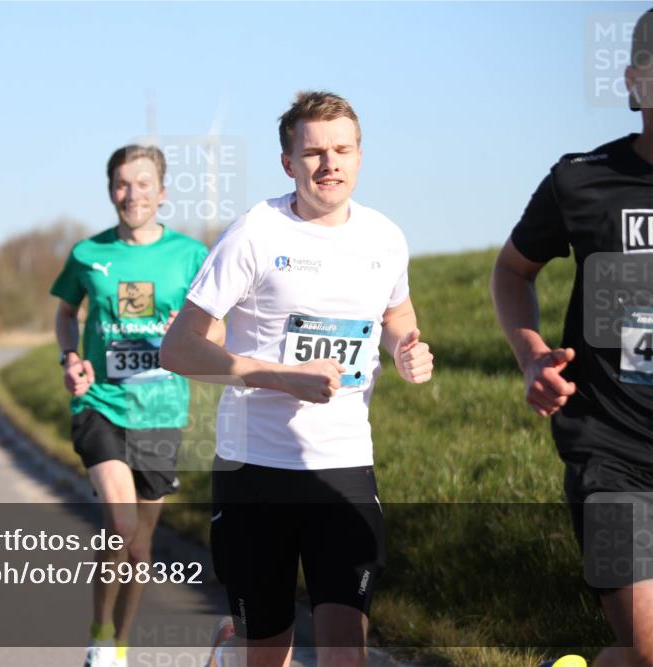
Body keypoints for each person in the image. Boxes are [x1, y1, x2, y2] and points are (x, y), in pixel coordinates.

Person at [161, 91, 433, 667]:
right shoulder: (255, 233)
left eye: (342, 150)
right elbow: (179, 348)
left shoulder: (385, 237)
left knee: (345, 652)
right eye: (313, 153)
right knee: (268, 652)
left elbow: (396, 314)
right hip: (256, 470)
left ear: (360, 156)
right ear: (289, 163)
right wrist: (280, 376)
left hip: (345, 467)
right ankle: (234, 653)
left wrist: (406, 346)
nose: (329, 164)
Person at [491, 10, 653, 667]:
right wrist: (531, 354)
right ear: (636, 81)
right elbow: (511, 271)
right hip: (608, 452)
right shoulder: (582, 180)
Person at [50, 144, 209, 667]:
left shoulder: (190, 256)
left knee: (140, 547)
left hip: (161, 410)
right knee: (119, 523)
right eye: (121, 183)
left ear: (162, 193)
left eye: (143, 184)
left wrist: (188, 333)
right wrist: (70, 357)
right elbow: (66, 313)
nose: (131, 194)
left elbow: (217, 323)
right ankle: (99, 633)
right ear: (109, 190)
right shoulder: (86, 254)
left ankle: (119, 641)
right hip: (100, 402)